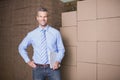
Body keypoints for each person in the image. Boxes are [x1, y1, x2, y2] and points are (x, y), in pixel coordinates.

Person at [18, 7, 65, 80]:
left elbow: (61, 49)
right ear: (37, 18)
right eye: (40, 16)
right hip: (38, 69)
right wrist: (28, 61)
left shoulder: (55, 33)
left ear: (47, 17)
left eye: (45, 16)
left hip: (53, 66)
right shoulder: (31, 34)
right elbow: (21, 47)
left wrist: (58, 60)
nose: (43, 19)